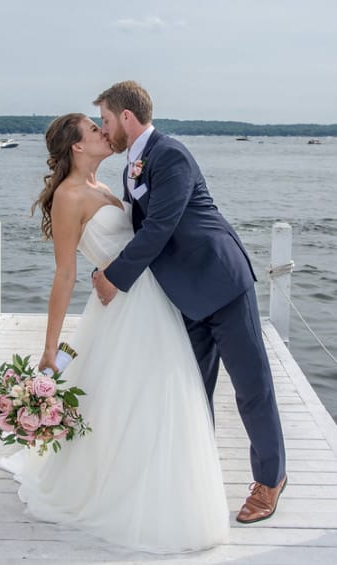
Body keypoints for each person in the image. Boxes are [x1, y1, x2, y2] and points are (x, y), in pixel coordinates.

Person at [0, 112, 229, 554]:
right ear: (77, 146)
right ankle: (124, 488)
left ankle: (162, 481)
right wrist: (50, 346)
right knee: (133, 393)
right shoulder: (68, 197)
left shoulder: (106, 185)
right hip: (123, 307)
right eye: (93, 129)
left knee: (160, 391)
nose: (104, 132)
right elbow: (65, 274)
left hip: (153, 299)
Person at [92, 80, 287, 524]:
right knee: (193, 392)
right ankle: (195, 481)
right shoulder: (132, 167)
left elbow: (159, 227)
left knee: (252, 387)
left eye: (105, 120)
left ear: (126, 116)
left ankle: (270, 479)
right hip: (182, 295)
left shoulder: (170, 155)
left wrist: (115, 279)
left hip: (221, 282)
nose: (103, 129)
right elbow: (136, 228)